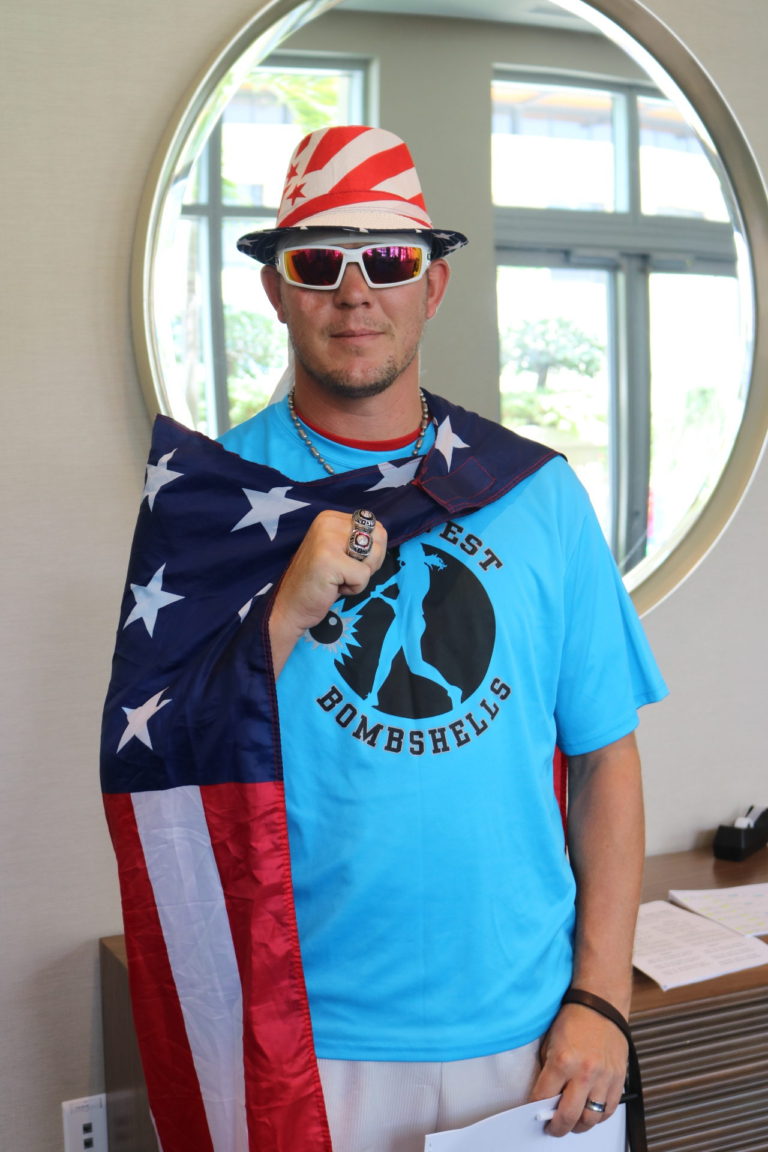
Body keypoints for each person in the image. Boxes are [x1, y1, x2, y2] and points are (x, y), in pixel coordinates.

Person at [101, 124, 666, 1152]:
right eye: (318, 262)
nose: (354, 292)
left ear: (431, 286)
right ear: (277, 289)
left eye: (389, 260)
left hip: (529, 1029)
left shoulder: (535, 494)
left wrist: (601, 995)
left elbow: (604, 757)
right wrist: (283, 611)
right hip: (306, 1035)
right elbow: (162, 759)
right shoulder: (213, 504)